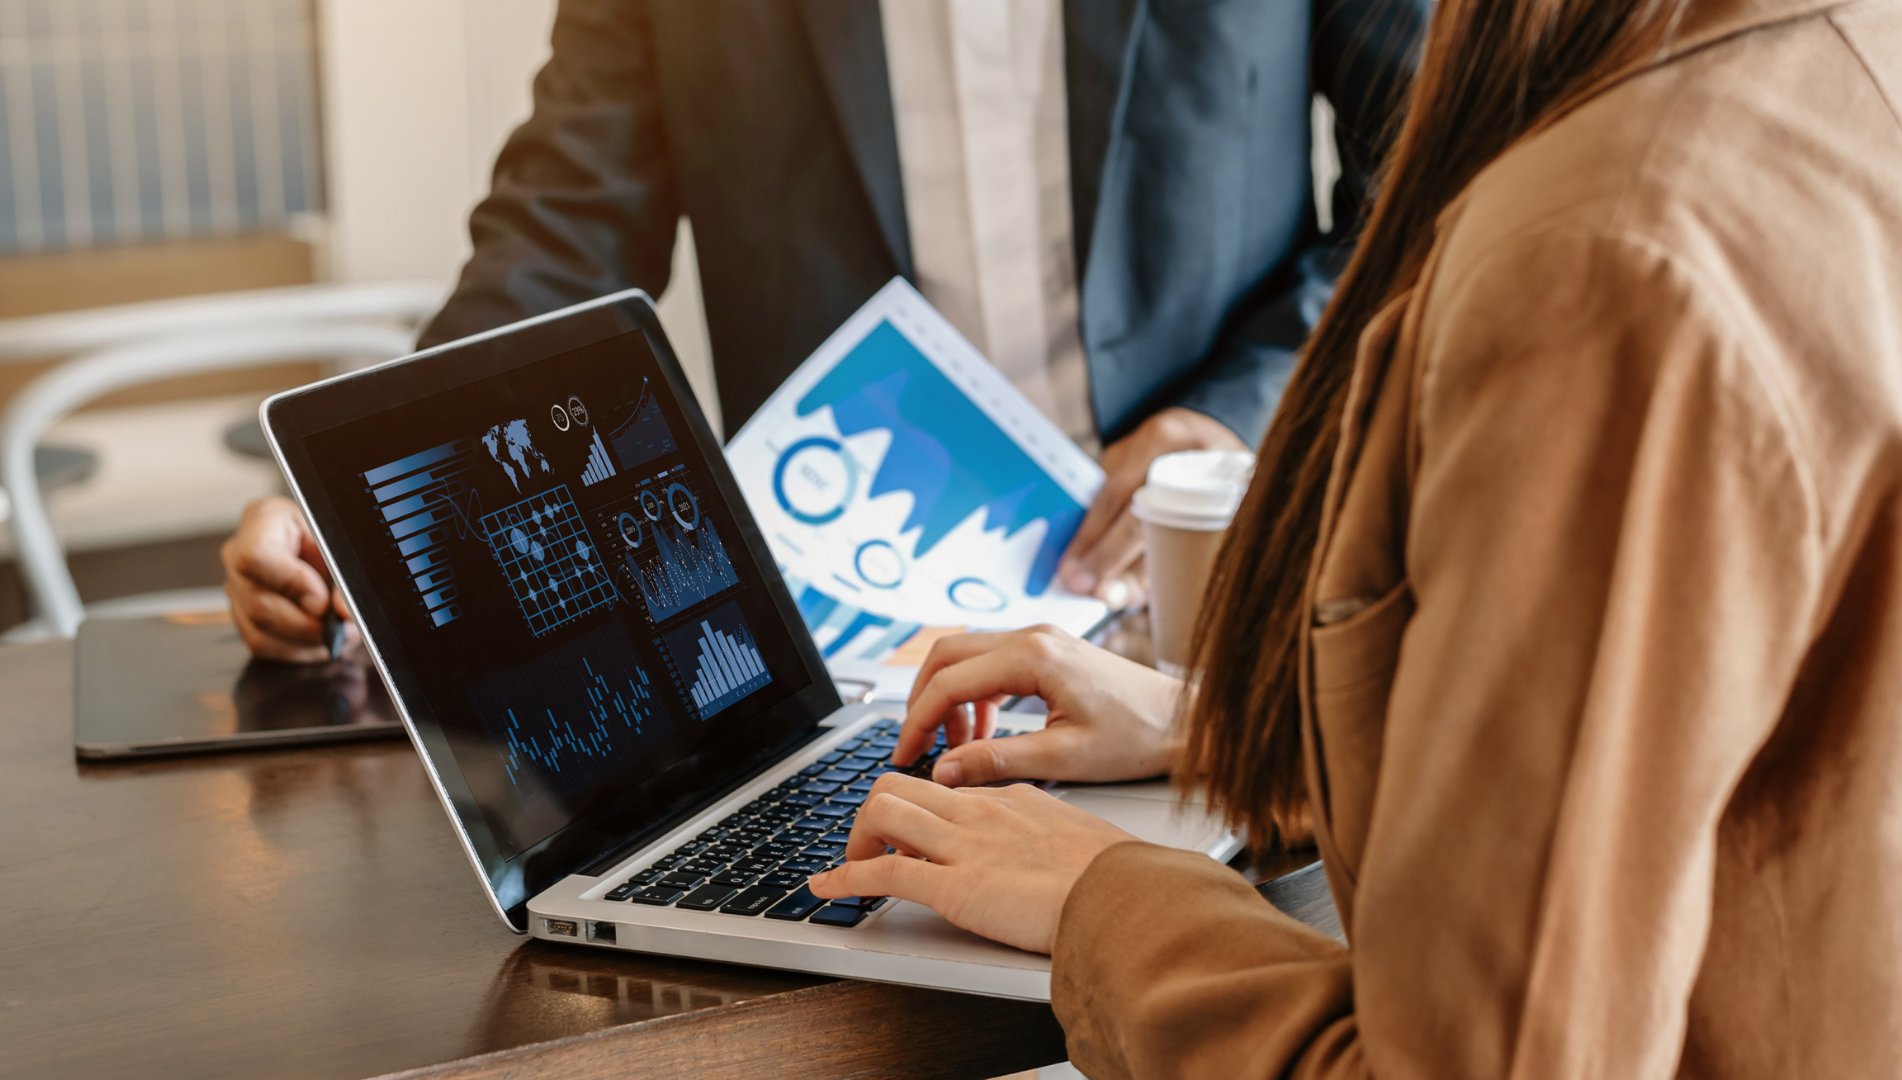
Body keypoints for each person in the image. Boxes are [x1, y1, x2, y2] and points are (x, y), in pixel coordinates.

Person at [808, 0, 1902, 1072]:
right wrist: (1231, 733)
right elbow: (1734, 744)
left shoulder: (1603, 260)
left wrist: (1109, 899)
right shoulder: (1832, 65)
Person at [222, 0, 1429, 662]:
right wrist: (373, 507)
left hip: (1224, 585)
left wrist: (1240, 416)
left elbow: (1436, 178)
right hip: (846, 646)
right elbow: (559, 243)